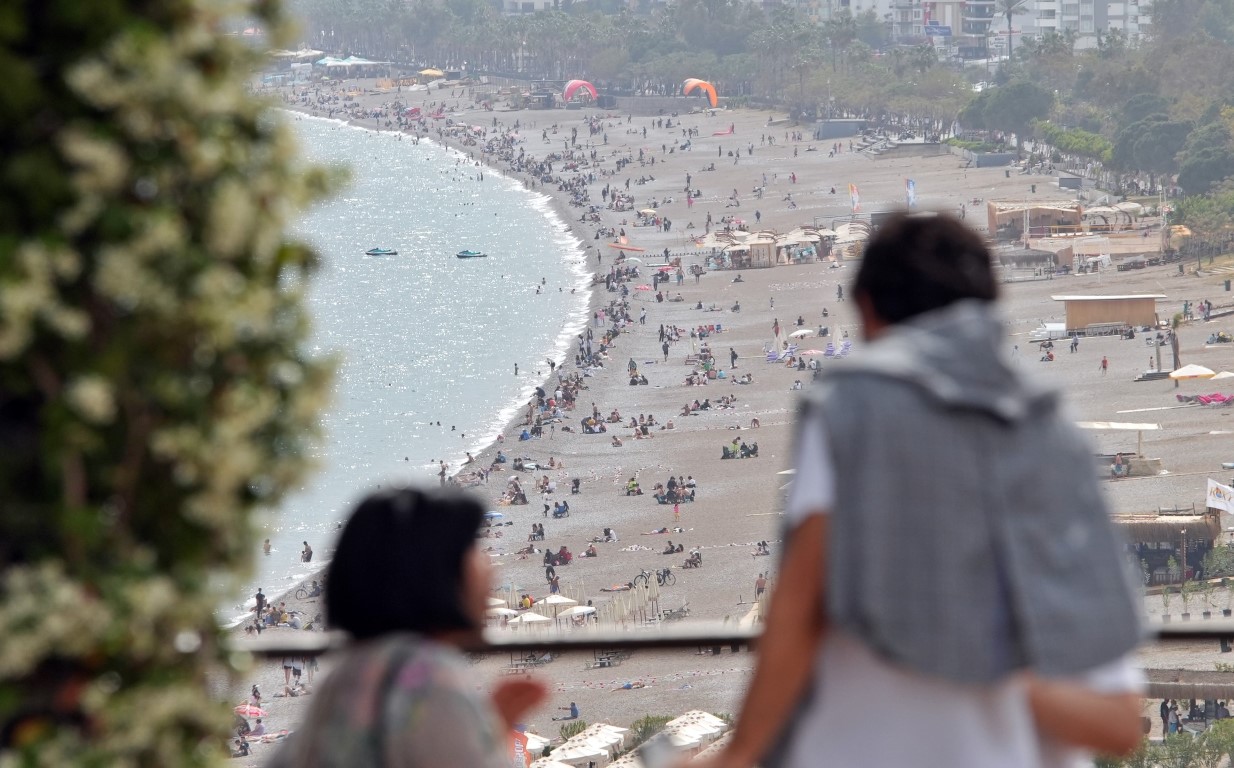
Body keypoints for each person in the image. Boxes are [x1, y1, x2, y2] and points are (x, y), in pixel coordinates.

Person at [704, 213, 1143, 768]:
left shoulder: (855, 407)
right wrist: (989, 668)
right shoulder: (1053, 432)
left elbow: (801, 602)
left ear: (866, 308)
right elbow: (1119, 722)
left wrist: (739, 753)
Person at [267, 488, 546, 768]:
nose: (489, 567)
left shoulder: (352, 671)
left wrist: (492, 725)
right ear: (434, 572)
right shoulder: (431, 675)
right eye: (472, 548)